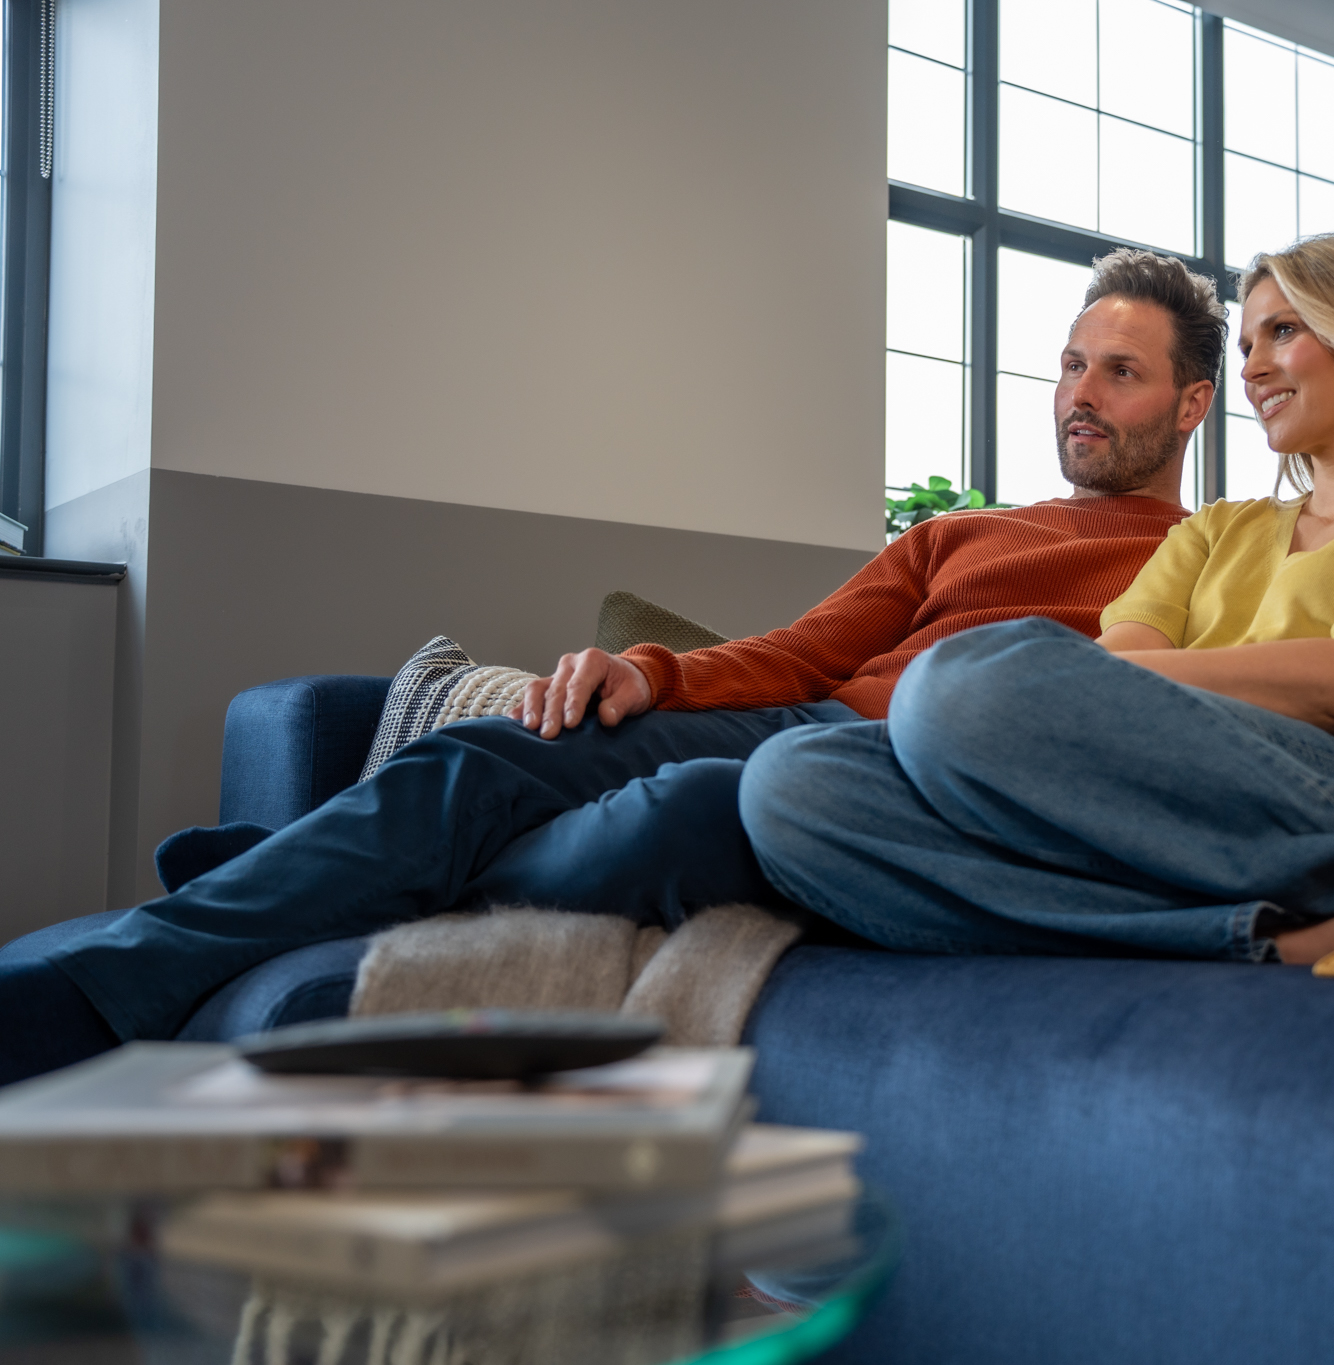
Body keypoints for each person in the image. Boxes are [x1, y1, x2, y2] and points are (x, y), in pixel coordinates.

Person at [0, 248, 1226, 1085]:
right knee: (496, 750)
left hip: (887, 782)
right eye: (1069, 364)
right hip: (794, 719)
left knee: (672, 814)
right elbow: (800, 650)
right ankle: (142, 963)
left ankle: (303, 870)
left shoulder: (1213, 559)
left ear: (1189, 407)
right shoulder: (958, 535)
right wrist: (650, 672)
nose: (1079, 395)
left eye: (1119, 372)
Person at [734, 233, 1334, 967]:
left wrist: (1084, 690)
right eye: (1245, 345)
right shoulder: (1217, 530)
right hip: (1166, 773)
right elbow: (1120, 662)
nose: (1253, 368)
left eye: (1282, 330)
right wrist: (1093, 693)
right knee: (792, 785)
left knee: (960, 683)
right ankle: (1248, 930)